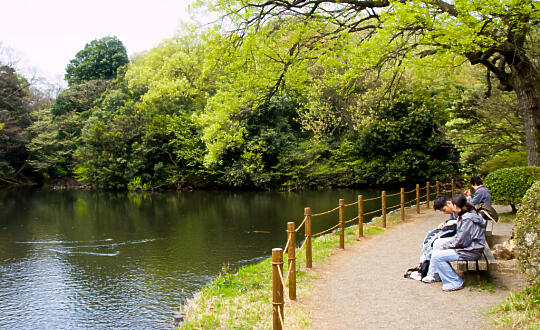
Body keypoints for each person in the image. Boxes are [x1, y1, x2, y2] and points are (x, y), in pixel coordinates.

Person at [423, 194, 486, 291]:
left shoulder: (467, 218)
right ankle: (434, 274)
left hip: (471, 250)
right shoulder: (466, 214)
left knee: (437, 256)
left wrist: (445, 247)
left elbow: (461, 241)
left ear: (455, 206)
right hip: (470, 246)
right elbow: (461, 238)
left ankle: (454, 282)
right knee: (438, 243)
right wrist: (445, 245)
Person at [408, 195, 457, 281]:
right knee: (428, 238)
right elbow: (452, 221)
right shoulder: (454, 211)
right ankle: (423, 265)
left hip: (461, 238)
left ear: (449, 203)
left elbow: (465, 222)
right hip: (455, 233)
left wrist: (455, 222)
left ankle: (433, 273)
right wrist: (445, 223)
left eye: (444, 210)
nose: (444, 212)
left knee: (436, 243)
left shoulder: (461, 209)